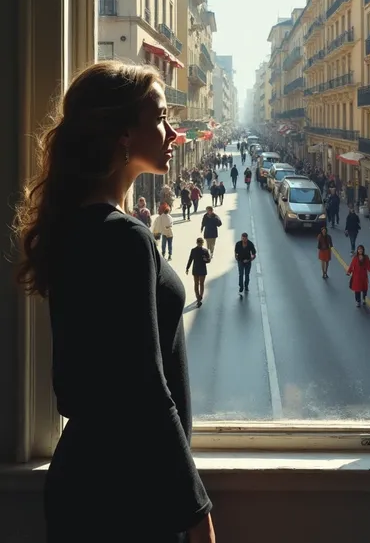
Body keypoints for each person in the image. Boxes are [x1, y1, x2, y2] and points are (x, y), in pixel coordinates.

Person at [13, 61, 214, 543]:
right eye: (161, 118)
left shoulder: (81, 226)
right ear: (124, 133)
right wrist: (197, 510)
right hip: (127, 498)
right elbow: (146, 389)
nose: (173, 132)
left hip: (90, 485)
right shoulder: (122, 237)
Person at [186, 237, 211, 307]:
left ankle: (200, 296)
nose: (200, 244)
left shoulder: (205, 251)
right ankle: (198, 297)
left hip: (201, 269)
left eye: (201, 243)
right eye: (199, 243)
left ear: (202, 243)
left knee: (200, 283)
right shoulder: (193, 250)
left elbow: (209, 260)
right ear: (197, 243)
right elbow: (190, 259)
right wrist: (187, 267)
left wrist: (206, 259)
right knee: (197, 283)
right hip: (197, 269)